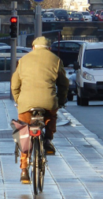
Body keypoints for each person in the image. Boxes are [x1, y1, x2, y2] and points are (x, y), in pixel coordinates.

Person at [11, 36, 68, 184]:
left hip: (26, 103)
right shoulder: (56, 60)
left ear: (33, 48)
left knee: (23, 132)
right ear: (49, 48)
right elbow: (63, 84)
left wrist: (19, 100)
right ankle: (48, 140)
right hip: (47, 101)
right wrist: (61, 101)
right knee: (51, 116)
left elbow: (14, 84)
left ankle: (24, 169)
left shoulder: (23, 60)